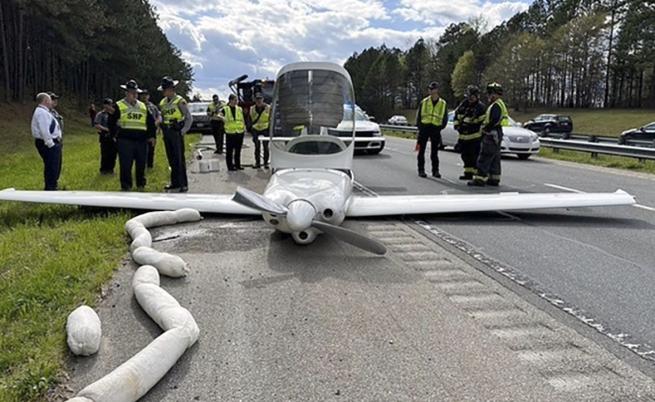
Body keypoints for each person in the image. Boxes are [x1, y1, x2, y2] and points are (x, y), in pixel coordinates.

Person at [108, 79, 156, 191]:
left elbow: (150, 122)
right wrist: (114, 135)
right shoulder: (118, 105)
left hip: (141, 140)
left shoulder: (143, 106)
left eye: (136, 93)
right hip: (125, 140)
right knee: (125, 165)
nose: (134, 95)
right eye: (131, 92)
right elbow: (111, 121)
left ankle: (141, 185)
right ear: (126, 93)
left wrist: (152, 136)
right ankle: (126, 186)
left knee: (141, 164)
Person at [468, 82, 509, 187]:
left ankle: (479, 179)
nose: (488, 96)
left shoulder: (495, 105)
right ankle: (494, 178)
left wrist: (486, 129)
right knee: (494, 156)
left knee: (485, 155)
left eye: (489, 94)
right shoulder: (500, 104)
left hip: (492, 133)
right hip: (497, 133)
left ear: (494, 94)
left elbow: (494, 119)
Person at [158, 76, 192, 192]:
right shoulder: (162, 102)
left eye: (165, 89)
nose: (163, 92)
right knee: (171, 159)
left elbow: (188, 118)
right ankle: (174, 182)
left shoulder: (179, 101)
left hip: (176, 132)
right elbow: (162, 117)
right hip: (167, 133)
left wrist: (182, 132)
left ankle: (183, 184)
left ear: (171, 89)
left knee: (179, 159)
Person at [415, 81, 447, 178]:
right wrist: (420, 127)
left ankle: (435, 171)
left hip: (435, 129)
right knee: (421, 151)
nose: (430, 91)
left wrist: (440, 127)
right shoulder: (424, 102)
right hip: (424, 128)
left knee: (434, 152)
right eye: (429, 89)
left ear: (437, 90)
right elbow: (419, 116)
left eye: (432, 89)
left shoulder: (442, 103)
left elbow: (445, 118)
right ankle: (421, 170)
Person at [454, 85, 486, 180]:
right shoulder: (463, 105)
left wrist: (472, 125)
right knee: (465, 156)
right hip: (463, 136)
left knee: (474, 156)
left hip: (474, 137)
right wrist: (457, 125)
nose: (470, 99)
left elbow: (482, 122)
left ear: (477, 96)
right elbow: (457, 115)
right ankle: (468, 173)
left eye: (472, 97)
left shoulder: (480, 107)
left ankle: (476, 175)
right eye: (468, 96)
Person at [31, 92, 62, 190]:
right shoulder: (41, 112)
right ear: (45, 101)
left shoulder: (44, 112)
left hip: (52, 141)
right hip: (48, 143)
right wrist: (50, 144)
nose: (51, 102)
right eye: (49, 100)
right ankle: (50, 188)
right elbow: (44, 129)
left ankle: (53, 186)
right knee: (51, 166)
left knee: (54, 165)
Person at [221, 94, 246, 171]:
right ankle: (230, 166)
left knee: (238, 150)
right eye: (235, 100)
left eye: (237, 100)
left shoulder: (239, 109)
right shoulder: (225, 109)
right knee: (230, 151)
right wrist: (222, 118)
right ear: (230, 100)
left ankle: (238, 165)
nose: (236, 101)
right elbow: (219, 115)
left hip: (239, 131)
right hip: (230, 132)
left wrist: (244, 128)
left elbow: (242, 119)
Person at [139, 89, 161, 168]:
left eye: (146, 95)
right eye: (142, 95)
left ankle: (150, 165)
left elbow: (159, 116)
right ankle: (142, 164)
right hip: (141, 130)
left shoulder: (153, 106)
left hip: (152, 130)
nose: (144, 96)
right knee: (141, 149)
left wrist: (156, 123)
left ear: (148, 96)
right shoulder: (138, 105)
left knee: (151, 148)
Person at [94, 98, 117, 175]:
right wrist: (106, 129)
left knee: (113, 154)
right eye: (107, 104)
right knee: (105, 154)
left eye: (110, 104)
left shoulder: (114, 114)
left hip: (113, 136)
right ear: (104, 105)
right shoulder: (100, 114)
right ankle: (104, 170)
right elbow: (97, 125)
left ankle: (111, 169)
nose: (109, 106)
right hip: (104, 136)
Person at [249, 93, 270, 168]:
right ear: (255, 100)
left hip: (265, 128)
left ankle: (265, 163)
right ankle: (257, 163)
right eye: (257, 99)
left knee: (266, 147)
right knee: (257, 146)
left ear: (263, 99)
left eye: (260, 99)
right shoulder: (252, 108)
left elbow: (271, 118)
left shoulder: (268, 107)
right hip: (256, 128)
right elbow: (250, 118)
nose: (259, 101)